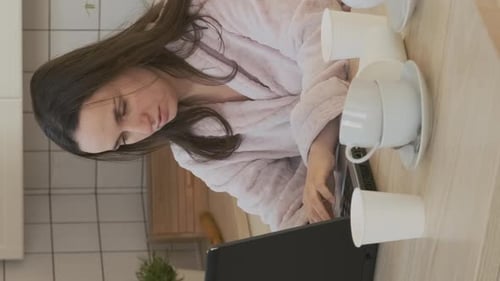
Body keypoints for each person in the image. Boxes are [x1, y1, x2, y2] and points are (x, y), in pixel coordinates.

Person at [31, 0, 350, 231]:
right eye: (124, 138)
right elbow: (282, 200)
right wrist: (308, 230)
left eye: (121, 109)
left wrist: (319, 145)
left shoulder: (201, 12)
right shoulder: (196, 152)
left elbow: (317, 25)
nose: (142, 128)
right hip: (374, 137)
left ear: (116, 61)